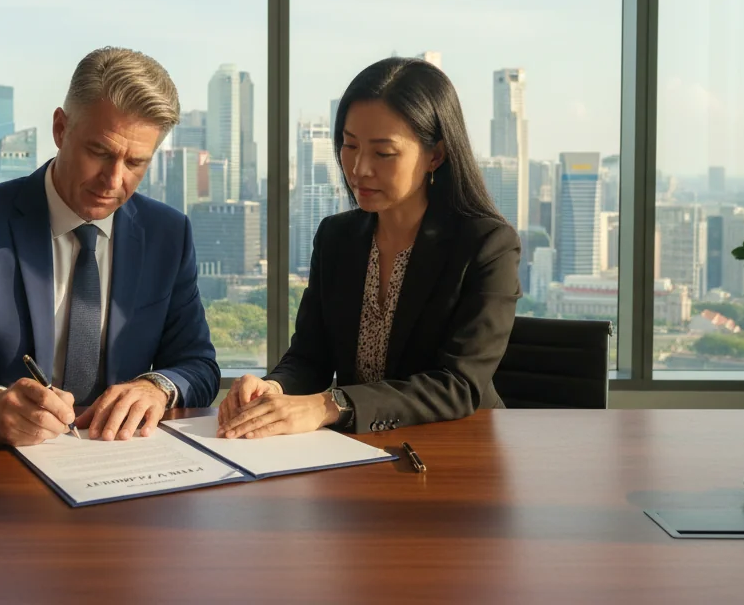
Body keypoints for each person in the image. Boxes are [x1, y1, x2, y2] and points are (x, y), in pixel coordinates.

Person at [0, 47, 219, 445]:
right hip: (0, 472)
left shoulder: (167, 234)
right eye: (99, 152)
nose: (113, 179)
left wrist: (156, 387)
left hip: (121, 464)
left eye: (135, 163)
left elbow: (198, 365)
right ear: (60, 128)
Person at [218, 57, 521, 438]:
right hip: (357, 451)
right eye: (349, 145)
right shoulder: (336, 238)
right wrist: (274, 388)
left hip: (458, 448)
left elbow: (458, 385)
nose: (359, 168)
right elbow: (310, 357)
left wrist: (331, 405)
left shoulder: (486, 245)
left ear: (436, 155)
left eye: (383, 153)